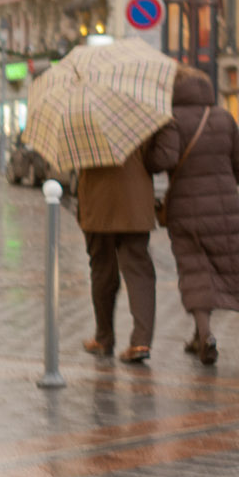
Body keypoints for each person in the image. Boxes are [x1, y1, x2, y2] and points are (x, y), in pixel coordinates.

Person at [156, 70, 239, 366]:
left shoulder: (172, 119)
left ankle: (205, 333)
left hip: (185, 210)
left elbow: (163, 160)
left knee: (194, 271)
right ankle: (199, 334)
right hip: (225, 209)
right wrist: (223, 185)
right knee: (212, 270)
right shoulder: (224, 118)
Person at [77, 113, 179, 365]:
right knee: (139, 270)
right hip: (134, 201)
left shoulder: (83, 109)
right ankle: (140, 341)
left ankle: (103, 338)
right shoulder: (138, 109)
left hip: (96, 197)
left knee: (102, 270)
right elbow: (162, 156)